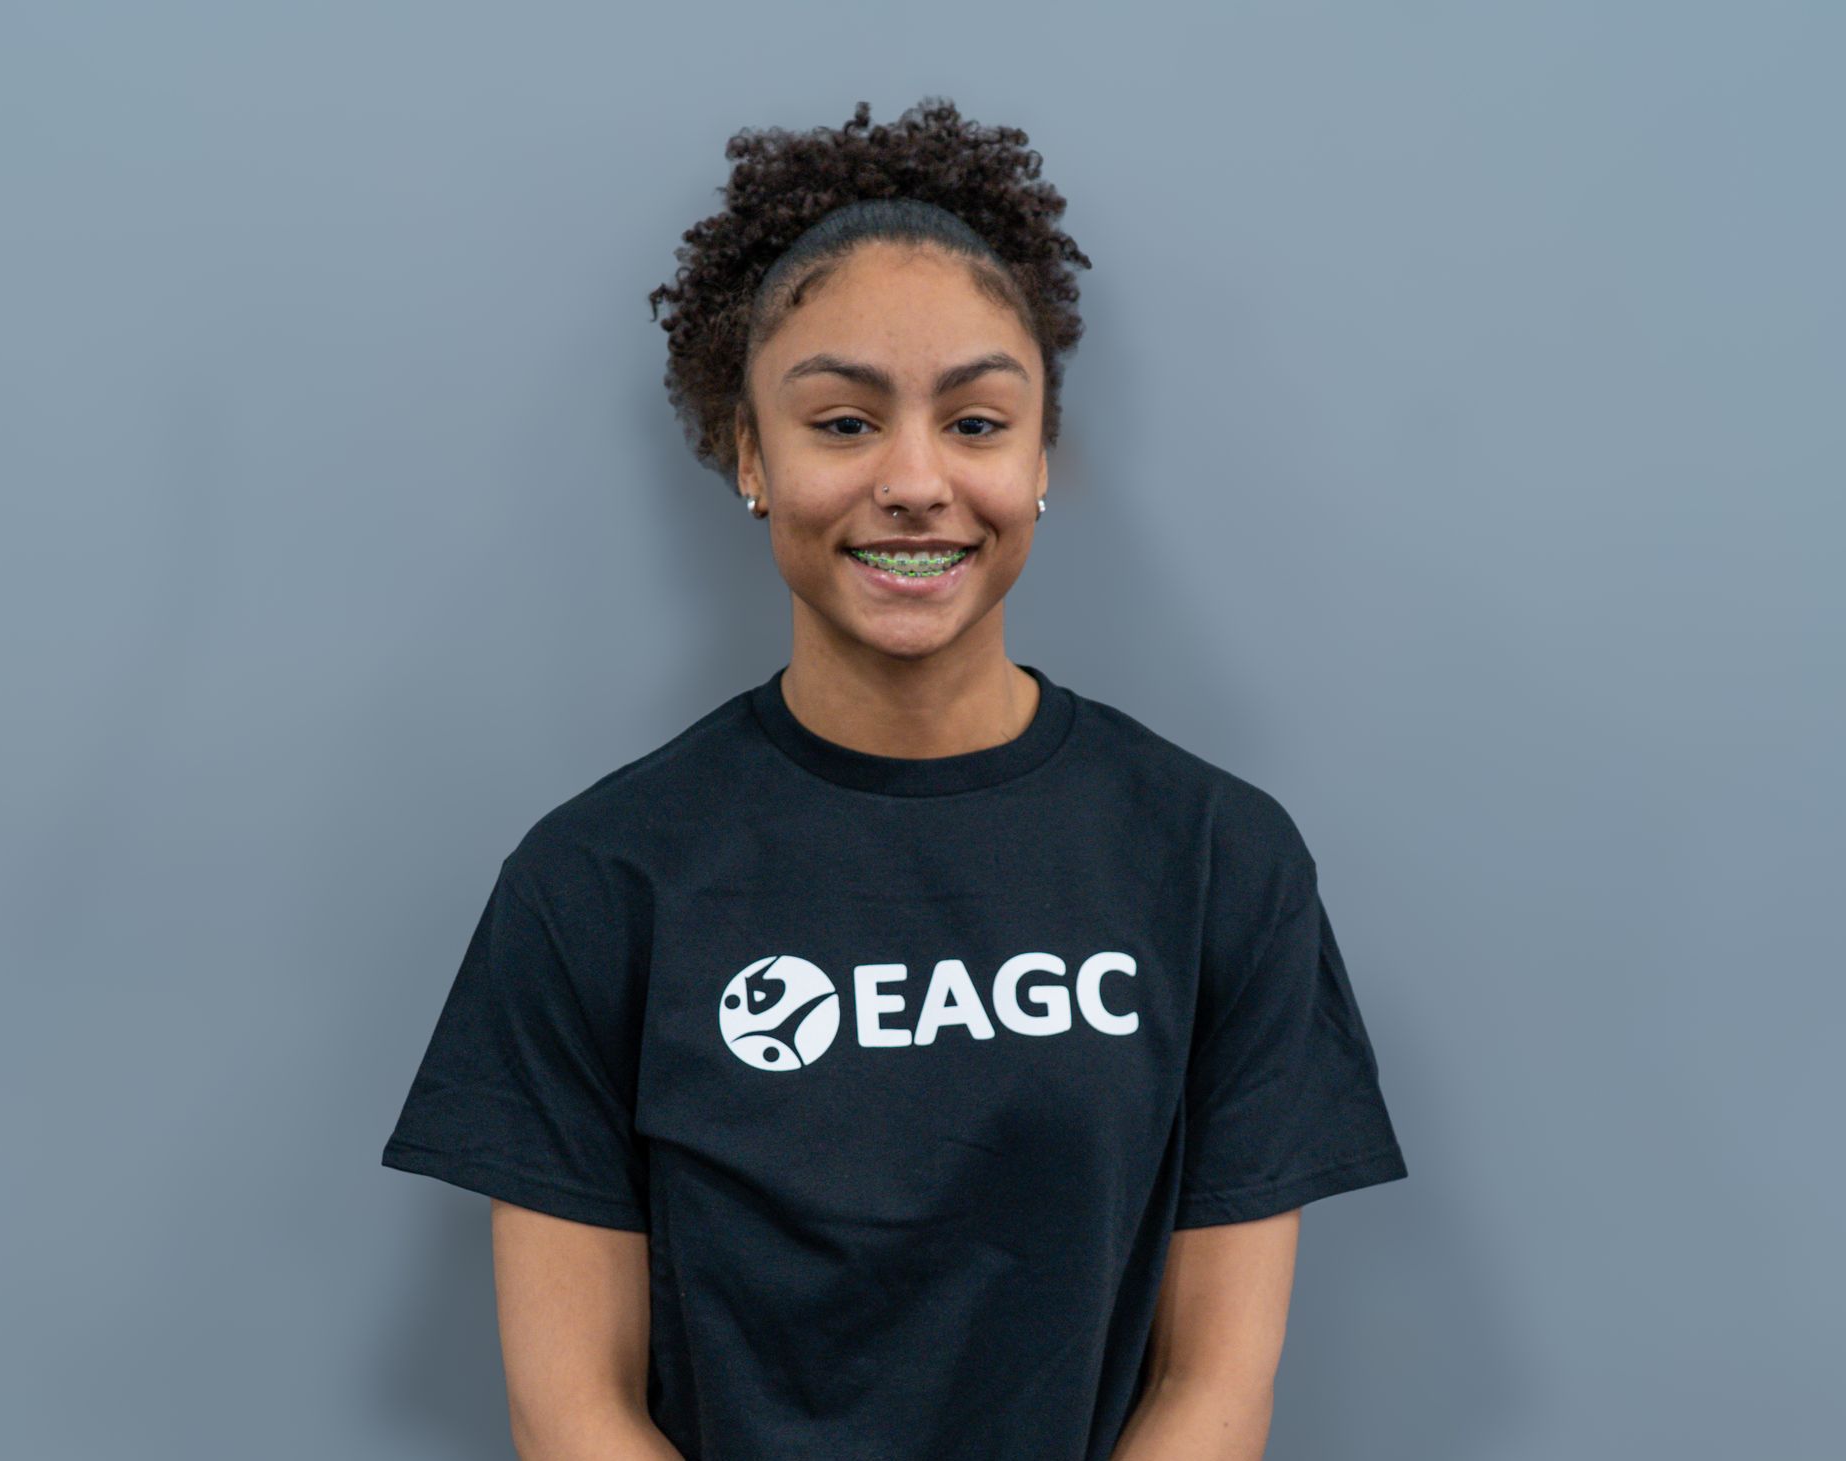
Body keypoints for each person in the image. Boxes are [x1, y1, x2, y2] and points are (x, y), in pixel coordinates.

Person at [380, 96, 1409, 1461]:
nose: (917, 482)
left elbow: (1213, 1385)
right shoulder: (595, 880)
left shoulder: (1215, 855)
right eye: (844, 422)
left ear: (1041, 459)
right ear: (753, 456)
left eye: (977, 422)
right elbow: (571, 1406)